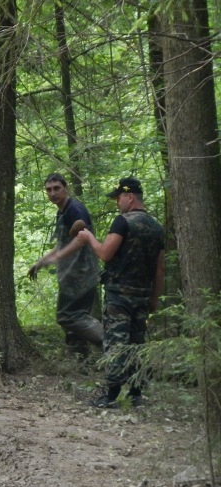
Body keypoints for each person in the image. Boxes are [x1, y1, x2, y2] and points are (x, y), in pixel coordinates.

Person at [77, 177, 165, 408]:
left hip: (119, 296)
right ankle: (136, 393)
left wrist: (88, 238)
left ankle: (111, 395)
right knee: (137, 343)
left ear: (130, 197)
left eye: (118, 198)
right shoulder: (157, 227)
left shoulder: (122, 223)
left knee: (116, 343)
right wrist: (154, 297)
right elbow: (159, 267)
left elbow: (105, 253)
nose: (117, 203)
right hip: (143, 295)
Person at [28, 173, 103, 356]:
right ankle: (80, 361)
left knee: (67, 316)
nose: (52, 193)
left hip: (80, 274)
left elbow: (82, 237)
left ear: (66, 188)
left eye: (56, 188)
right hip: (72, 274)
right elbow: (62, 243)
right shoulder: (62, 211)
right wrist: (42, 261)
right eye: (48, 189)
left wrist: (58, 256)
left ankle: (113, 342)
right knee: (74, 320)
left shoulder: (74, 209)